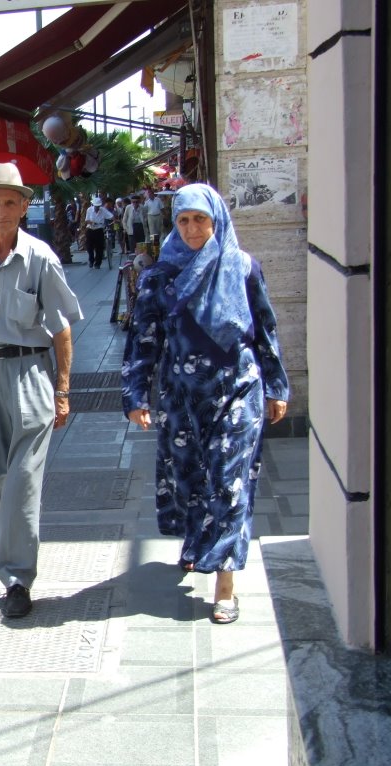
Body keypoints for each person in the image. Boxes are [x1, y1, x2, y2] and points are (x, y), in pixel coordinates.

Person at [121, 183, 289, 625]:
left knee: (229, 481)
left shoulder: (243, 268)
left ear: (217, 220)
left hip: (237, 390)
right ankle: (196, 543)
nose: (193, 228)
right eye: (184, 220)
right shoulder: (160, 277)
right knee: (190, 477)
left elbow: (265, 331)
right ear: (174, 223)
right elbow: (143, 340)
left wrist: (276, 386)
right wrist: (136, 395)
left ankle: (226, 584)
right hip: (181, 396)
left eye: (201, 219)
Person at [0, 163, 83, 619]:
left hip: (29, 375)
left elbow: (61, 330)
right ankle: (19, 527)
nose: (1, 211)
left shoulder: (41, 256)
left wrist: (62, 391)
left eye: (10, 202)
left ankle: (17, 577)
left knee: (23, 480)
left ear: (25, 206)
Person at [84, 196, 113, 269]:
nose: (97, 208)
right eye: (95, 206)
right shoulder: (89, 210)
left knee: (99, 248)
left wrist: (115, 219)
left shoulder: (103, 210)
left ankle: (98, 263)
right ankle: (91, 260)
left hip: (99, 230)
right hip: (90, 229)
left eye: (98, 206)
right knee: (89, 247)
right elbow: (87, 220)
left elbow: (110, 216)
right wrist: (92, 222)